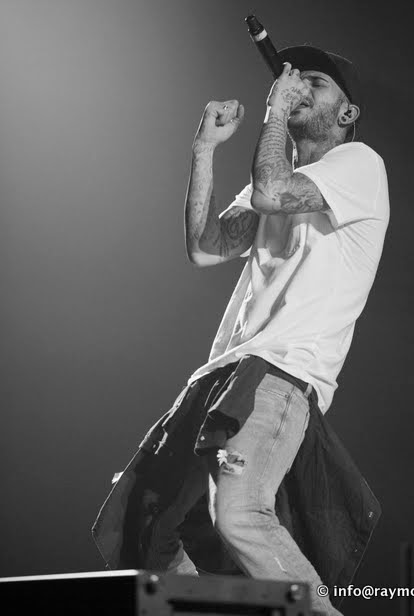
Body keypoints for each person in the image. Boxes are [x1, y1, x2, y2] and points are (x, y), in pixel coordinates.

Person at [92, 45, 390, 616]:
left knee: (239, 513)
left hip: (281, 372)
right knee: (149, 525)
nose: (298, 86)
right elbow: (205, 246)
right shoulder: (279, 179)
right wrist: (204, 149)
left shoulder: (359, 165)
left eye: (316, 82)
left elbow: (271, 191)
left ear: (347, 112)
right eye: (293, 78)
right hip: (226, 372)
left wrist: (275, 112)